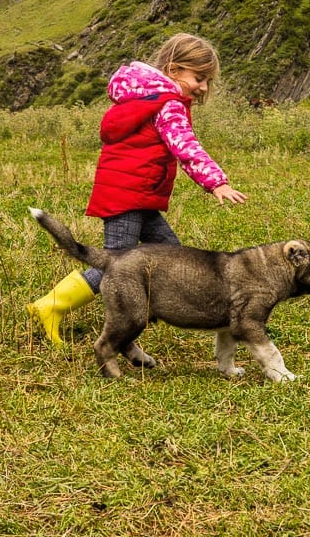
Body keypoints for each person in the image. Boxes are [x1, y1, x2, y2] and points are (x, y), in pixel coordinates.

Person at [27, 32, 248, 345]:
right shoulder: (168, 104)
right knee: (116, 264)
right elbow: (185, 146)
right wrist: (216, 182)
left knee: (172, 257)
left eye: (207, 81)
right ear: (174, 69)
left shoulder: (143, 96)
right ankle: (51, 306)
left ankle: (145, 313)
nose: (203, 87)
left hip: (138, 195)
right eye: (199, 78)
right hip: (129, 195)